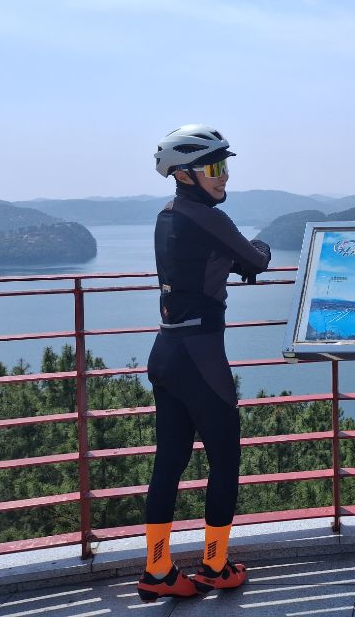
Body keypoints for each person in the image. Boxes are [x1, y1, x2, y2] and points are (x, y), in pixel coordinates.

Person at [136, 124, 272, 601]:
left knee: (169, 462)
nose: (224, 176)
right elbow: (256, 259)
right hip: (201, 355)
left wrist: (231, 260)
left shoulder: (167, 215)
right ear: (185, 174)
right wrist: (257, 253)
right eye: (214, 167)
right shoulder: (209, 218)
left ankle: (158, 570)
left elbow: (197, 262)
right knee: (225, 460)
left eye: (224, 166)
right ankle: (215, 565)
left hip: (166, 351)